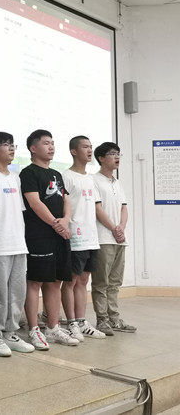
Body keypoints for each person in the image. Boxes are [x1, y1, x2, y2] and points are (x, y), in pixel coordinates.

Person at [19, 129, 79, 350]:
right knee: (35, 282)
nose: (51, 146)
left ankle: (52, 327)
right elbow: (35, 203)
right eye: (46, 143)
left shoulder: (56, 174)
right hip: (39, 234)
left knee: (56, 281)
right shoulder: (28, 173)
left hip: (59, 233)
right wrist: (56, 224)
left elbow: (66, 200)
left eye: (52, 143)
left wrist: (66, 220)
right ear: (33, 148)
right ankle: (34, 329)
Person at [0, 132, 34, 357]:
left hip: (18, 243)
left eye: (13, 145)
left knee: (17, 292)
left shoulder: (15, 177)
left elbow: (18, 211)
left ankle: (10, 333)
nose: (12, 148)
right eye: (6, 145)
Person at [61, 136, 106, 341]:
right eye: (85, 147)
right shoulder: (66, 176)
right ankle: (71, 323)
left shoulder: (91, 179)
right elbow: (64, 206)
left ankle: (81, 321)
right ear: (74, 151)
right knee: (71, 280)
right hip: (75, 236)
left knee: (84, 280)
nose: (89, 150)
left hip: (91, 237)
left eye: (91, 147)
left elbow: (95, 207)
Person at [91, 142, 136, 335]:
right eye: (112, 154)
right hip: (103, 238)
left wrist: (121, 228)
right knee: (101, 282)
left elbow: (124, 207)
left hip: (119, 239)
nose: (117, 157)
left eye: (118, 154)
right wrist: (113, 228)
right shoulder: (94, 180)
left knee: (115, 282)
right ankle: (102, 320)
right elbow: (97, 208)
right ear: (101, 158)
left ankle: (114, 318)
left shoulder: (117, 182)